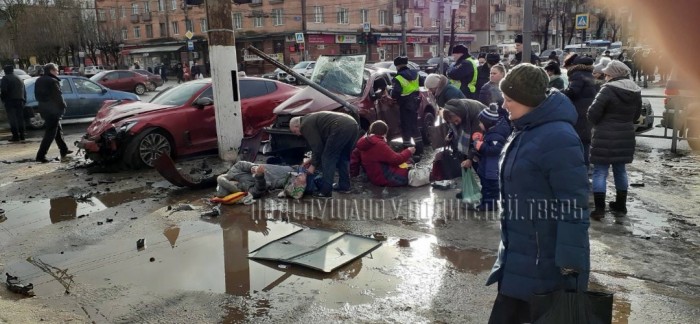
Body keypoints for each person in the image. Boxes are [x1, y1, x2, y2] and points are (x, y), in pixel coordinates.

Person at [486, 63, 590, 323]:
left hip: (544, 264)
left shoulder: (558, 137)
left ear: (528, 101)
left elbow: (574, 205)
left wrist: (571, 267)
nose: (503, 105)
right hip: (518, 255)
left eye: (509, 99)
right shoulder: (524, 129)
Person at [587, 61, 642, 220]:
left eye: (606, 74)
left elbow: (592, 114)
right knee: (620, 170)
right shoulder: (635, 90)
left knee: (600, 171)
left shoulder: (607, 90)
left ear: (613, 75)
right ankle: (620, 205)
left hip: (604, 135)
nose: (605, 76)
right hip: (625, 135)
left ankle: (599, 210)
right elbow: (636, 116)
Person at [289, 111, 359, 198]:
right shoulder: (312, 119)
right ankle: (344, 186)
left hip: (340, 126)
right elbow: (321, 147)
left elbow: (318, 147)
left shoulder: (305, 125)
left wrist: (313, 166)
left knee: (328, 158)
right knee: (343, 158)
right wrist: (310, 160)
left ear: (297, 126)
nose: (298, 135)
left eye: (295, 132)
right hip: (353, 124)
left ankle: (325, 191)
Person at [350, 121, 429, 187]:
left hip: (375, 177)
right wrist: (408, 151)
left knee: (409, 161)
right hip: (388, 178)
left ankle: (412, 161)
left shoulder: (364, 143)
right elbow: (396, 160)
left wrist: (354, 175)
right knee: (416, 173)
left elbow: (354, 160)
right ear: (384, 133)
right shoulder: (379, 144)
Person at [471, 104, 511, 211]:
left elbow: (494, 150)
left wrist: (480, 145)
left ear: (487, 123)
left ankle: (489, 205)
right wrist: (480, 138)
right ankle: (485, 203)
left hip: (492, 169)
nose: (479, 125)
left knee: (490, 188)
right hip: (487, 167)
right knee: (485, 186)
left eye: (480, 123)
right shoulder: (492, 131)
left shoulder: (496, 135)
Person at [441, 99, 484, 197]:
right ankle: (469, 189)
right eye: (452, 122)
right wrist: (450, 133)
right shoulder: (451, 113)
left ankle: (486, 193)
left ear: (459, 114)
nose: (455, 123)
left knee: (480, 167)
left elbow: (477, 140)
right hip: (465, 139)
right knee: (464, 164)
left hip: (481, 136)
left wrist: (470, 158)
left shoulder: (476, 114)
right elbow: (452, 125)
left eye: (456, 120)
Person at [562, 54, 597, 169]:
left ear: (574, 65)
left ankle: (582, 168)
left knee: (580, 141)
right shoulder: (590, 74)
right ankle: (585, 167)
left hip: (580, 112)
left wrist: (558, 93)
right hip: (588, 111)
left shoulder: (577, 75)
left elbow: (572, 92)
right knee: (585, 140)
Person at [34, 63, 73, 163]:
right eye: (56, 70)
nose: (57, 72)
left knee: (57, 130)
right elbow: (58, 96)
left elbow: (37, 96)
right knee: (50, 133)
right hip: (53, 110)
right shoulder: (53, 81)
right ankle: (41, 155)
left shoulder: (39, 80)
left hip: (44, 108)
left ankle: (64, 149)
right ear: (51, 70)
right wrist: (63, 106)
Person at [391, 56, 425, 156]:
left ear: (397, 66)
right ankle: (419, 149)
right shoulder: (416, 74)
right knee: (414, 127)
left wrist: (391, 93)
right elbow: (422, 83)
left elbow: (395, 93)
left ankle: (408, 151)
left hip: (405, 105)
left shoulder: (398, 78)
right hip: (415, 103)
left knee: (406, 128)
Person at [216, 161, 297, 198]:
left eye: (231, 184)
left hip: (270, 169)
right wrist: (260, 176)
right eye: (232, 188)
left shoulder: (234, 170)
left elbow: (243, 164)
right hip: (273, 182)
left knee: (292, 169)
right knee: (294, 179)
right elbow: (258, 191)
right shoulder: (243, 191)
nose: (234, 185)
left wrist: (253, 167)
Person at [1, 65, 27, 142]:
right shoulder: (19, 78)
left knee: (12, 119)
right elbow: (24, 91)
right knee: (20, 118)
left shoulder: (5, 78)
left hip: (10, 101)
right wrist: (24, 100)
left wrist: (3, 99)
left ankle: (15, 136)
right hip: (20, 100)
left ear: (5, 71)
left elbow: (4, 91)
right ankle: (22, 135)